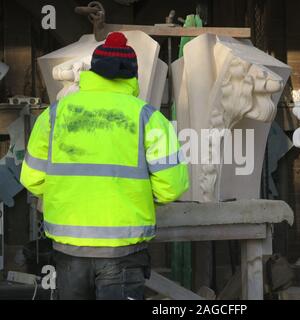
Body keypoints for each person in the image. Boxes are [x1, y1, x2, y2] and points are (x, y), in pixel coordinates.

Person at [20, 32, 189, 300]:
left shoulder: (54, 114)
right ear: (132, 76)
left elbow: (32, 180)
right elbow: (172, 187)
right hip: (123, 252)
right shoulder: (148, 118)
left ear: (93, 71)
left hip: (68, 250)